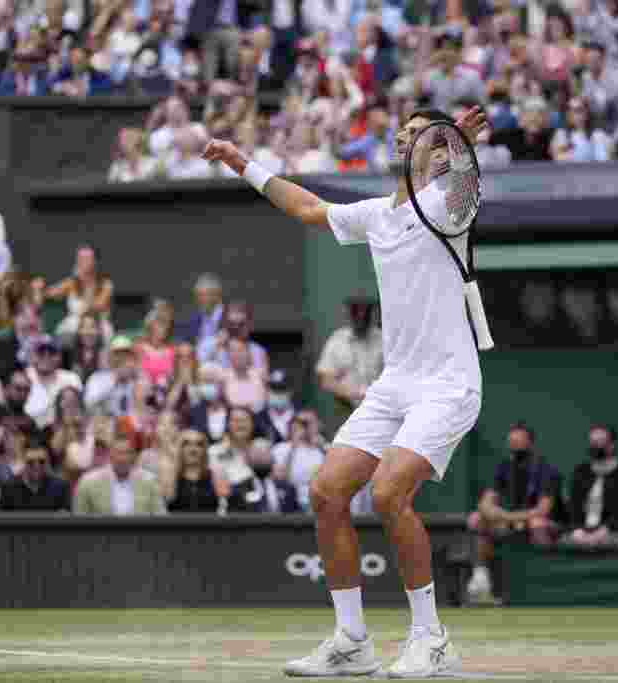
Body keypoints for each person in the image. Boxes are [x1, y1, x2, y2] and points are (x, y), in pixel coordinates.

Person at [203, 104, 488, 677]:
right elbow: (307, 207)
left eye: (417, 138)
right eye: (402, 134)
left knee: (387, 495)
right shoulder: (379, 215)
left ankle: (431, 639)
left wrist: (453, 141)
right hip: (396, 384)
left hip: (448, 383)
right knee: (328, 491)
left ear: (437, 155)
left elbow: (462, 178)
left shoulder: (450, 205)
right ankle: (352, 641)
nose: (403, 141)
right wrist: (243, 165)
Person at [465, 422, 563, 606]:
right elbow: (485, 503)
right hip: (513, 521)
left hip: (547, 524)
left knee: (536, 523)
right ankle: (481, 579)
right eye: (511, 443)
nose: (514, 447)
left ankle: (544, 584)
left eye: (519, 443)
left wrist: (505, 517)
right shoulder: (504, 468)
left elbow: (542, 511)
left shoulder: (547, 471)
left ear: (530, 444)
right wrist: (496, 515)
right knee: (476, 519)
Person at [562, 424, 618, 549]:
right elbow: (574, 507)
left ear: (612, 445)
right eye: (593, 441)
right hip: (582, 533)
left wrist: (604, 531)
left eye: (600, 441)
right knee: (563, 542)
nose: (595, 445)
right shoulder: (580, 472)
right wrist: (577, 531)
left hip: (614, 532)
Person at [315, 294, 383, 433]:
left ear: (371, 312)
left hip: (379, 410)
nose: (360, 315)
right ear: (349, 313)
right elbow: (326, 379)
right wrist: (351, 393)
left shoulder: (383, 339)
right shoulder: (337, 340)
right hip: (346, 410)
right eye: (356, 310)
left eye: (365, 311)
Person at [72, 429, 168, 515]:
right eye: (118, 453)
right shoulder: (88, 482)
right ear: (110, 455)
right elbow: (79, 519)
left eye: (127, 453)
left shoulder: (149, 481)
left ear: (134, 456)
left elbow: (160, 516)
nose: (122, 458)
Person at [0, 443, 72, 511]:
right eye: (31, 462)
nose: (37, 466)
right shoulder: (9, 488)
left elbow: (65, 520)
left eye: (41, 462)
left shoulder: (61, 488)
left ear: (48, 462)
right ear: (23, 462)